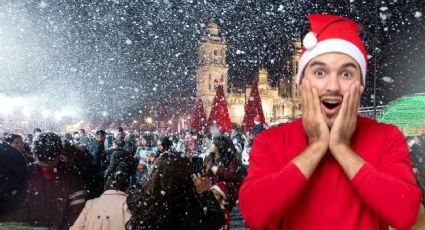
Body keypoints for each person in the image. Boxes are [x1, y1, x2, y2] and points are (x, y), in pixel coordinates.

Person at [238, 14, 421, 230]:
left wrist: (341, 148)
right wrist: (316, 146)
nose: (332, 86)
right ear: (302, 82)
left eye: (345, 73)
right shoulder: (270, 141)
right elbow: (254, 214)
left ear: (360, 84)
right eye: (320, 72)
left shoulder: (387, 137)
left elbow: (405, 214)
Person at [126, 152, 225, 229]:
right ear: (186, 176)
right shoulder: (188, 206)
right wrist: (205, 193)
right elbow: (216, 220)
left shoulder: (145, 200)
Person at [10, 132, 86, 229]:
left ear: (59, 155)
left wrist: (66, 227)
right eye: (42, 162)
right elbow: (19, 205)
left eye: (50, 163)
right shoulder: (27, 173)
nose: (46, 166)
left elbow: (77, 207)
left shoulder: (70, 174)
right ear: (34, 155)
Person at [70, 161, 131, 230]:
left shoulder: (91, 204)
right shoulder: (127, 204)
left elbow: (76, 228)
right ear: (127, 188)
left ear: (106, 187)